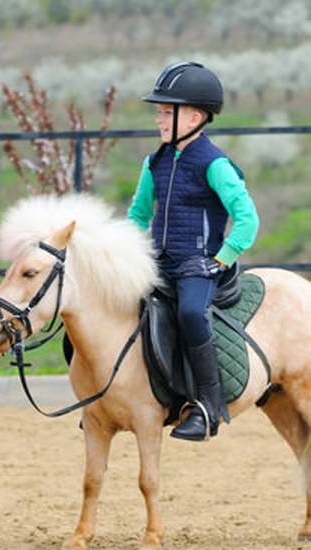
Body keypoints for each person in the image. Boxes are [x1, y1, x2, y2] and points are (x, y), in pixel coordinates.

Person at [127, 62, 260, 441]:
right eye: (159, 112)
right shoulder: (154, 162)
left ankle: (209, 406)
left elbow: (247, 219)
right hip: (159, 262)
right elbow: (138, 214)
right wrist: (126, 254)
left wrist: (221, 259)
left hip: (200, 264)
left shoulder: (215, 164)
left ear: (195, 117)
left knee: (189, 312)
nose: (159, 120)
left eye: (166, 112)